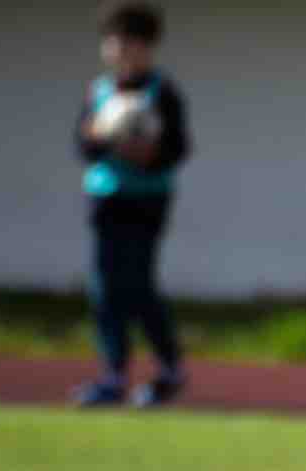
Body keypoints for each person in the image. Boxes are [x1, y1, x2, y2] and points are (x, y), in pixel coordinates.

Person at [72, 3, 192, 408]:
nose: (123, 50)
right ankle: (113, 375)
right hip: (106, 197)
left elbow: (178, 148)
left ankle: (169, 367)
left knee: (138, 284)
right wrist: (107, 139)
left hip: (148, 200)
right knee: (106, 287)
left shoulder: (163, 92)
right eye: (116, 42)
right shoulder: (99, 92)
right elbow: (84, 145)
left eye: (133, 42)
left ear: (149, 47)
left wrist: (146, 153)